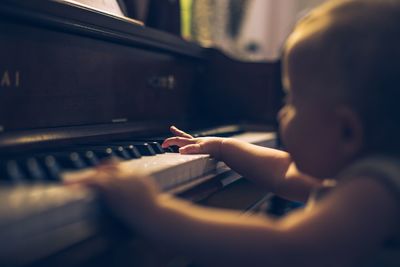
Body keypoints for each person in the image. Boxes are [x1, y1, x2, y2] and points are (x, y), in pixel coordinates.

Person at [66, 0, 400, 266]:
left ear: (346, 132)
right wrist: (224, 147)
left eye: (291, 100)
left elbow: (283, 249)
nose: (281, 112)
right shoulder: (363, 177)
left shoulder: (375, 192)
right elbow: (284, 170)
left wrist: (152, 211)